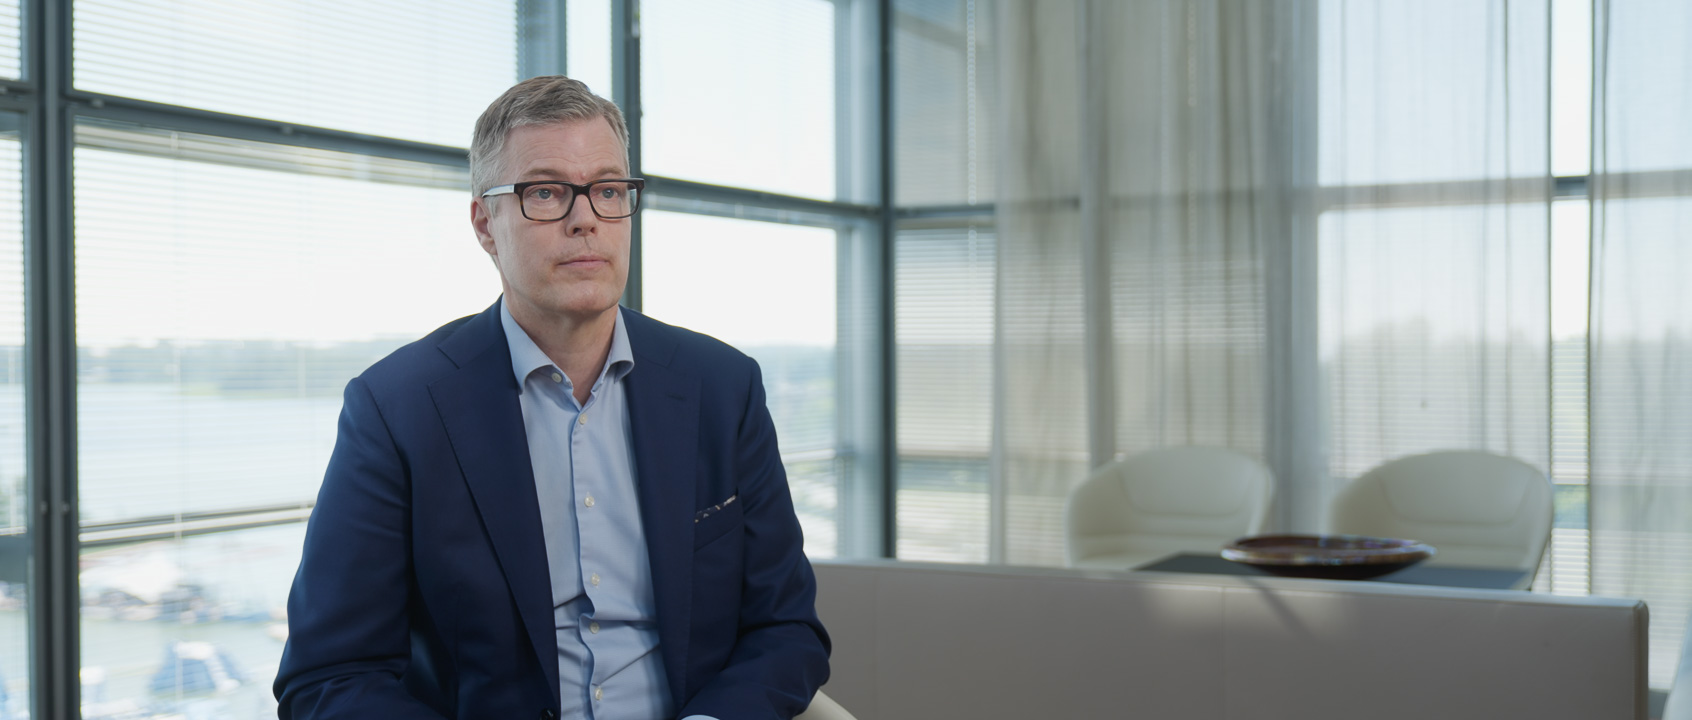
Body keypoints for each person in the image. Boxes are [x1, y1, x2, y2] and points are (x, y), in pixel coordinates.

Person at [273, 76, 830, 720]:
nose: (585, 218)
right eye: (545, 192)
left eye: (608, 190)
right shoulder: (397, 408)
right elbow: (330, 676)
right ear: (485, 223)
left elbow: (786, 629)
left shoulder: (723, 386)